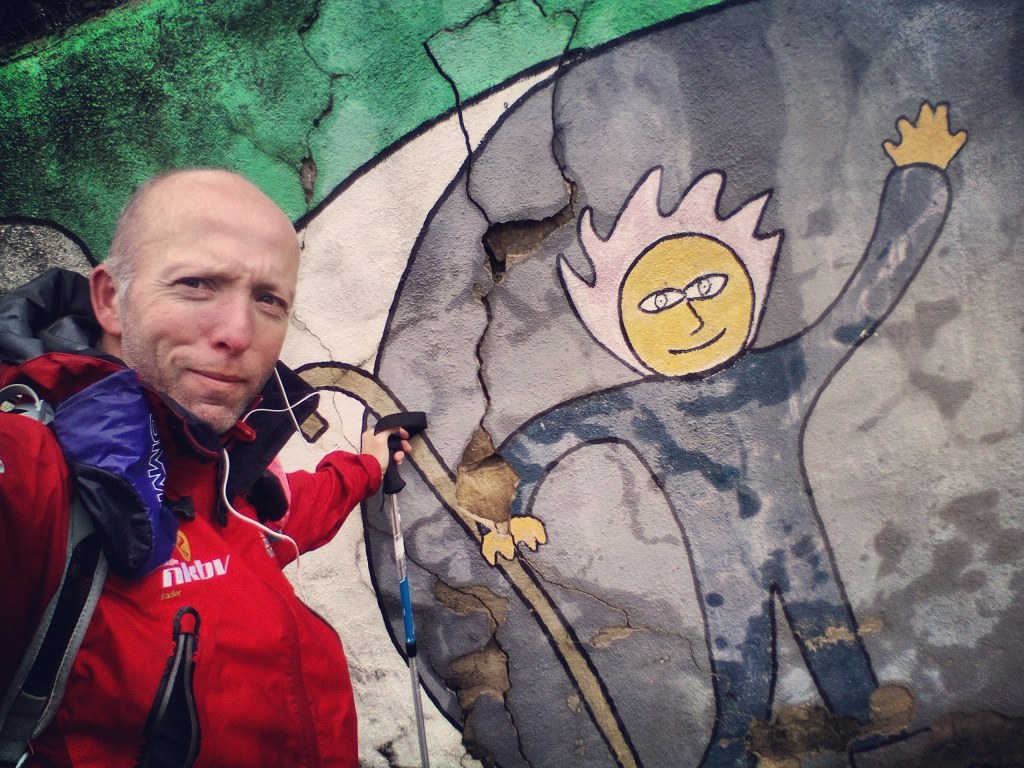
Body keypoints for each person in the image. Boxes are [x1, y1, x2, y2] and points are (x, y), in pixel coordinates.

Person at [0, 169, 410, 767]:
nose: (238, 333)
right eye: (196, 284)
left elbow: (283, 518)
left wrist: (370, 463)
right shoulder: (32, 474)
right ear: (110, 299)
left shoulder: (220, 473)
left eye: (269, 300)